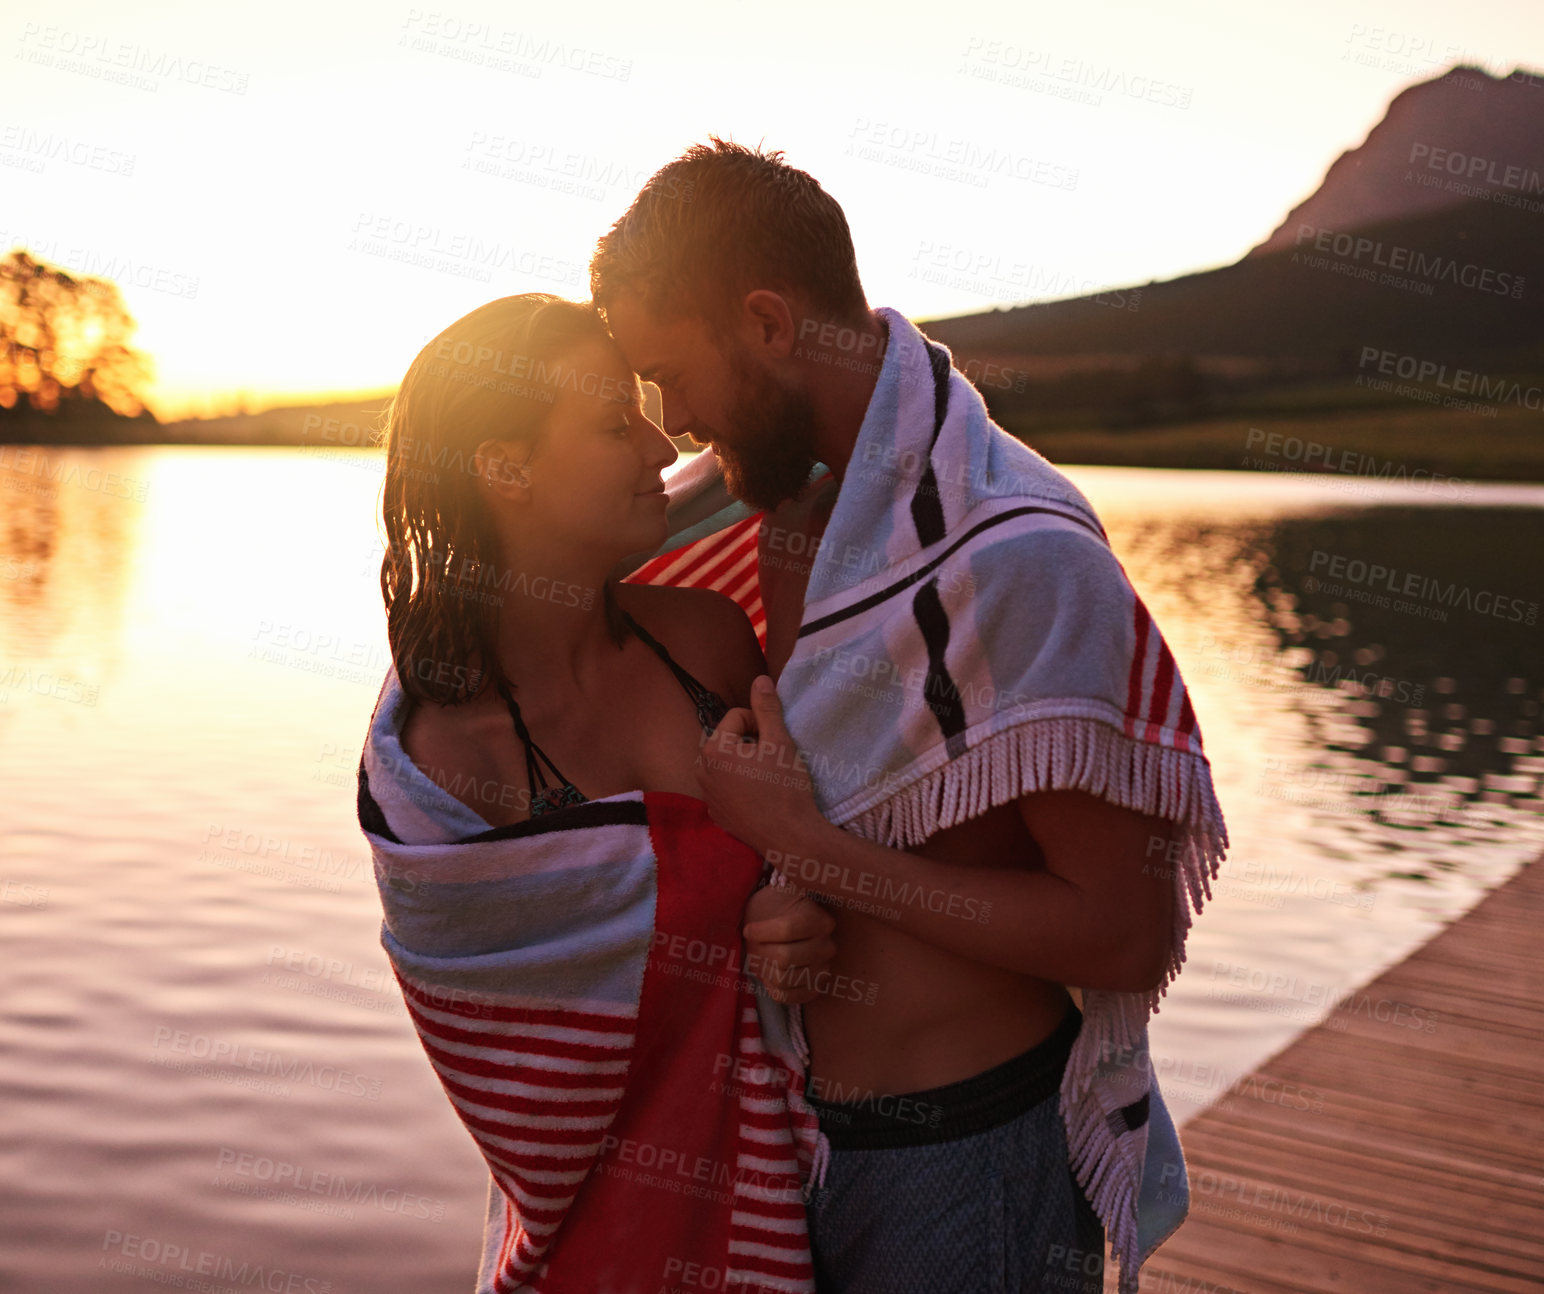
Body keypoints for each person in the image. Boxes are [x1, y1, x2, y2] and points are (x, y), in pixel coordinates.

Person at [592, 140, 1228, 1294]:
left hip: (970, 1158)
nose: (673, 421)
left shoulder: (1015, 553)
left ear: (769, 323)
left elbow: (1124, 932)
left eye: (670, 373)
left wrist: (811, 848)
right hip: (807, 1151)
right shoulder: (780, 519)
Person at [353, 293, 834, 1294]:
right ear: (504, 466)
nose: (661, 445)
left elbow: (807, 835)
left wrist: (799, 903)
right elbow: (525, 1080)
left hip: (797, 1196)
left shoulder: (703, 641)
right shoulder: (445, 766)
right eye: (615, 421)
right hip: (597, 1250)